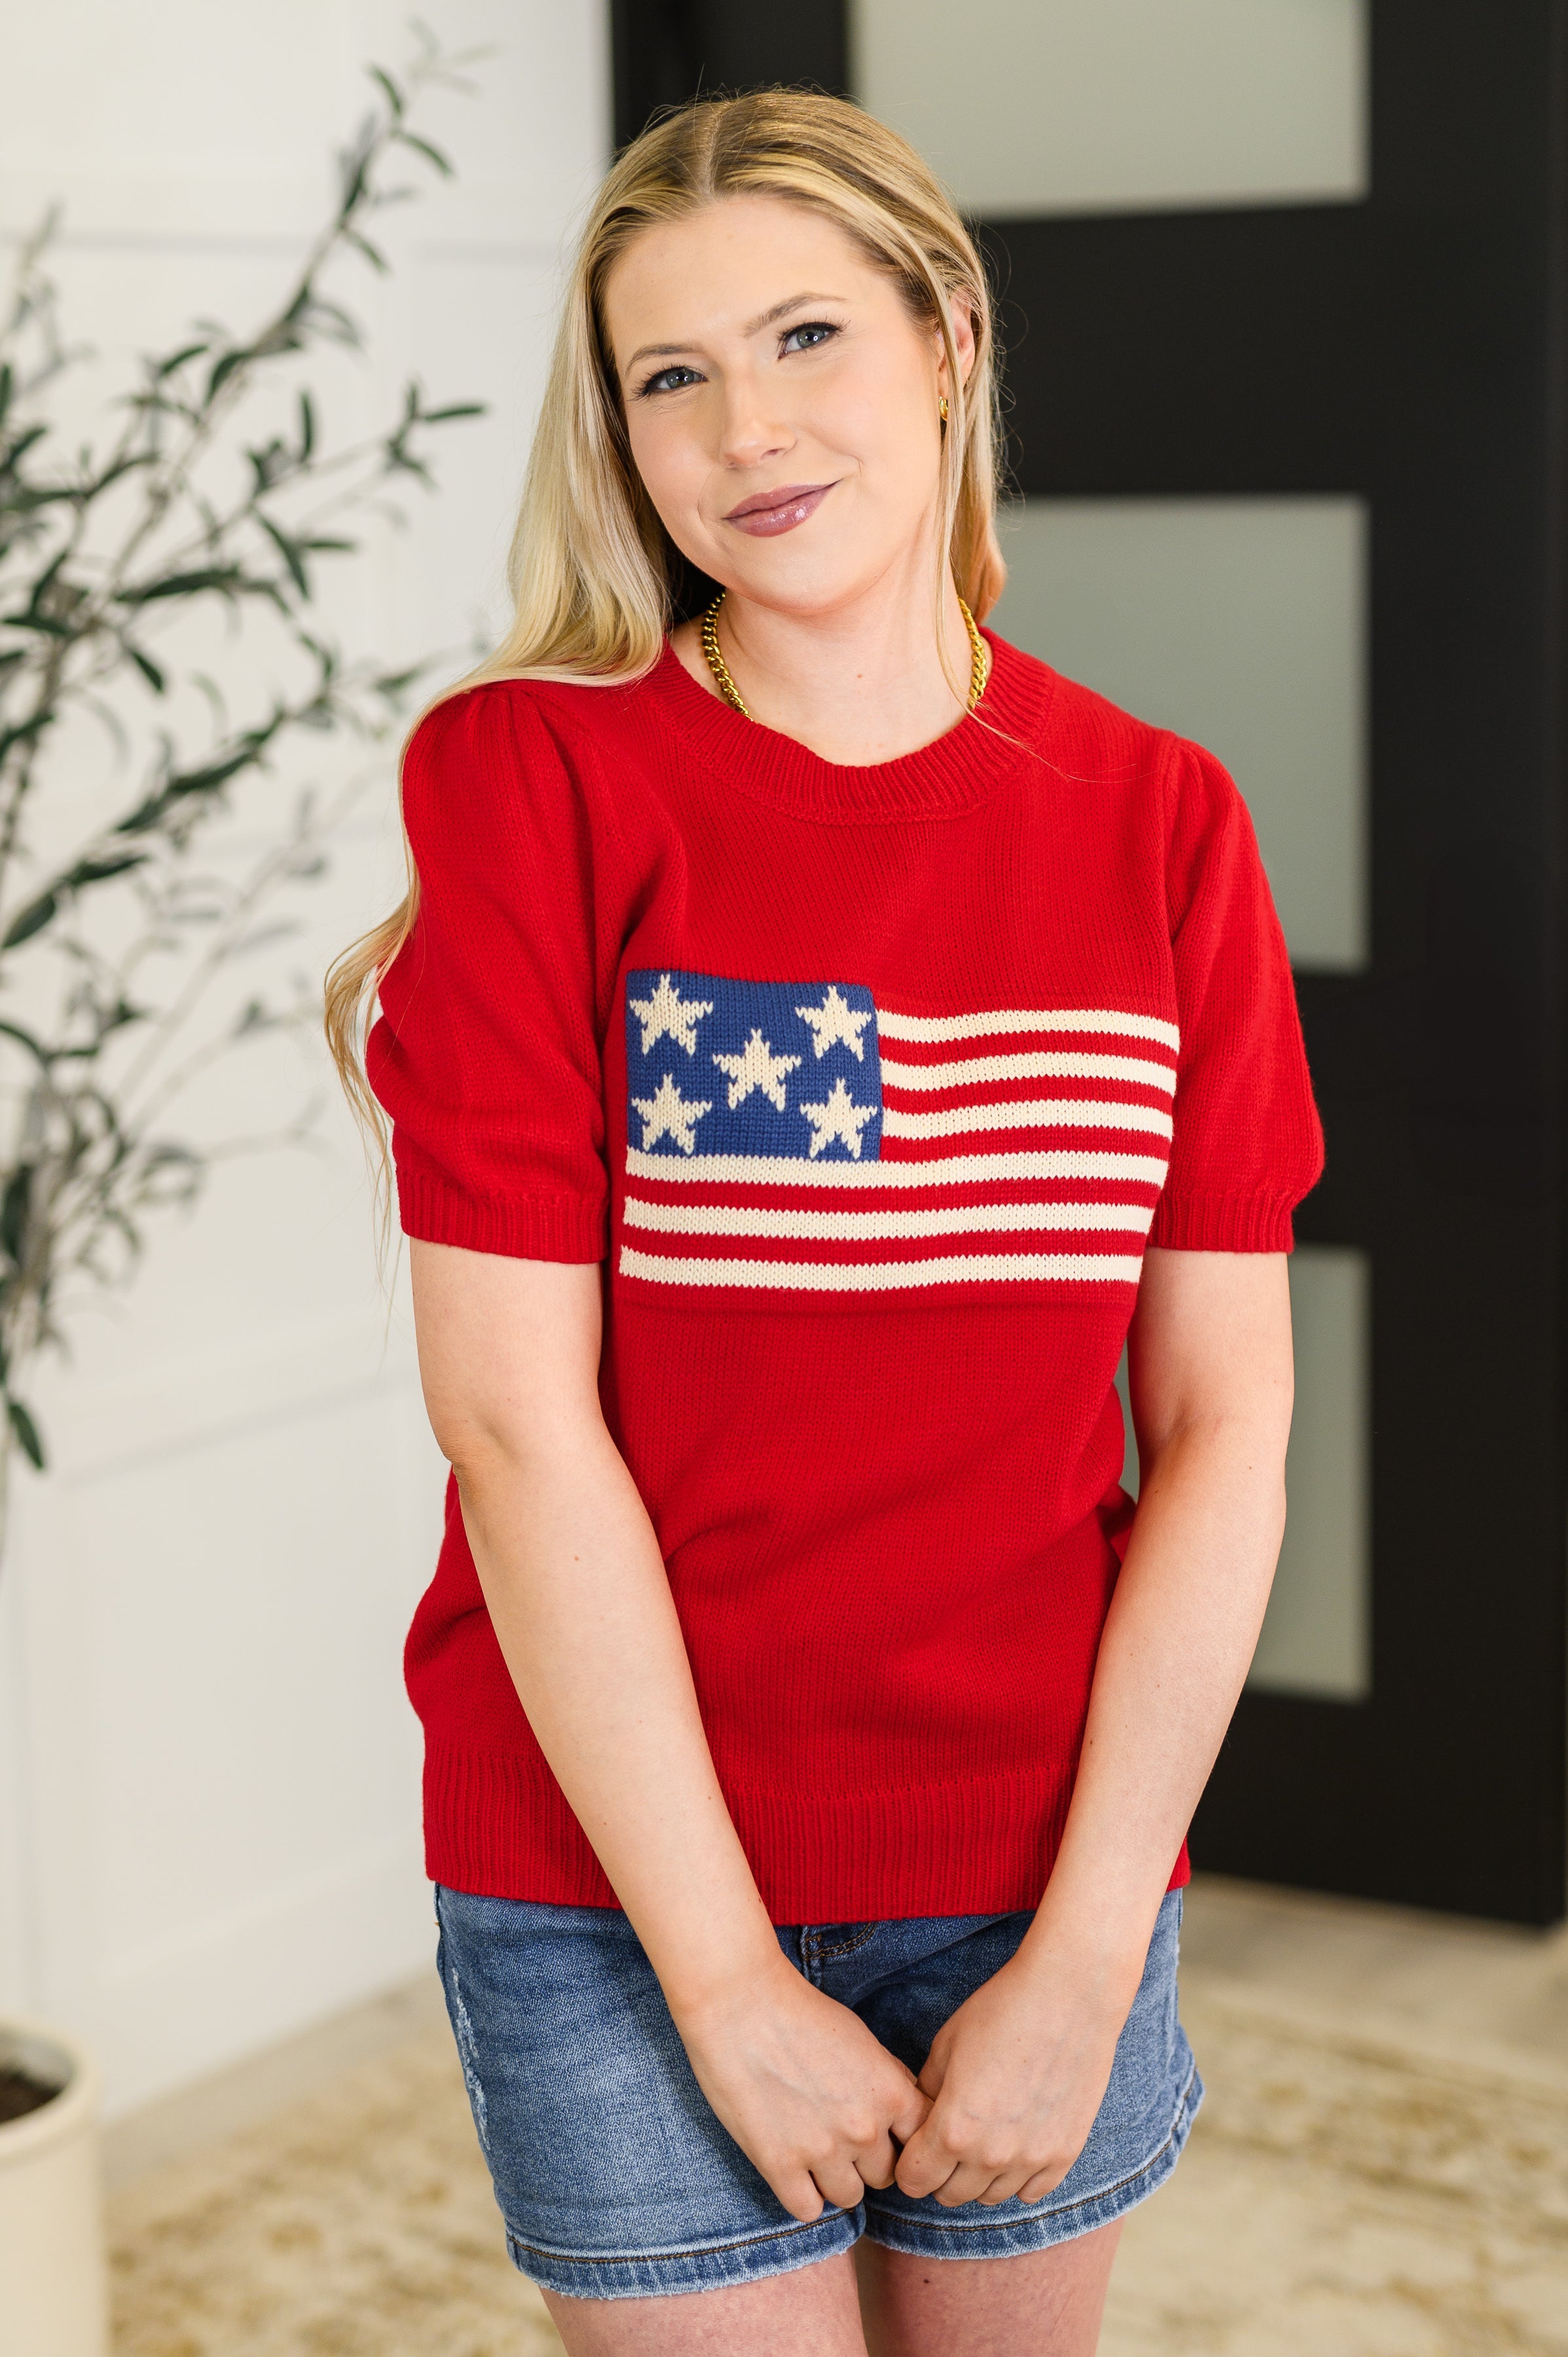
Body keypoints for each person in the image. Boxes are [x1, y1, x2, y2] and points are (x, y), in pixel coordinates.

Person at [325, 87, 1322, 2357]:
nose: (743, 429)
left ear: (946, 337)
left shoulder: (1163, 822)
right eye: (669, 376)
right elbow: (516, 1425)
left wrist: (1083, 1959)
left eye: (803, 339)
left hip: (1036, 1862)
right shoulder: (532, 779)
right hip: (617, 1873)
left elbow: (1228, 1427)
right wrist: (721, 1980)